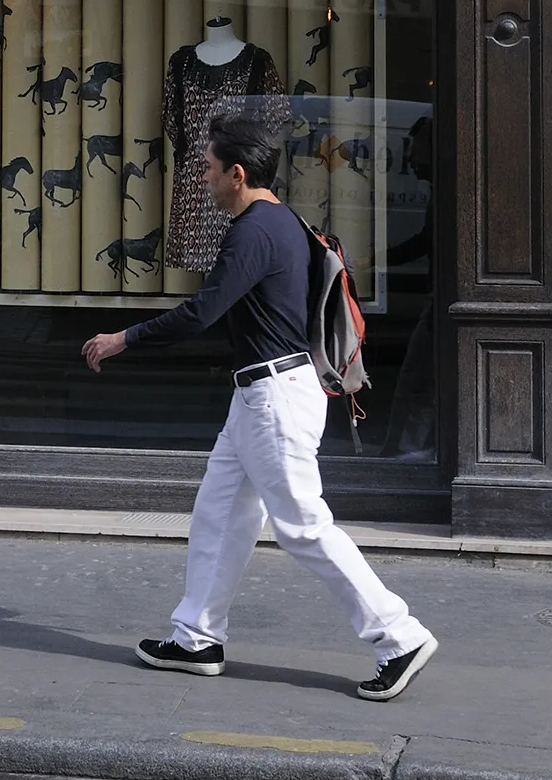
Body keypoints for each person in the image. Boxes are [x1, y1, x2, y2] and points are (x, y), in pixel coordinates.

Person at [82, 113, 440, 702]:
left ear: (237, 174)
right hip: (261, 394)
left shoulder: (252, 231)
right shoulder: (285, 221)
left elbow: (202, 313)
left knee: (302, 526)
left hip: (274, 397)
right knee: (219, 513)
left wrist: (125, 338)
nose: (202, 177)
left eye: (208, 168)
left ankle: (397, 635)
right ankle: (196, 637)